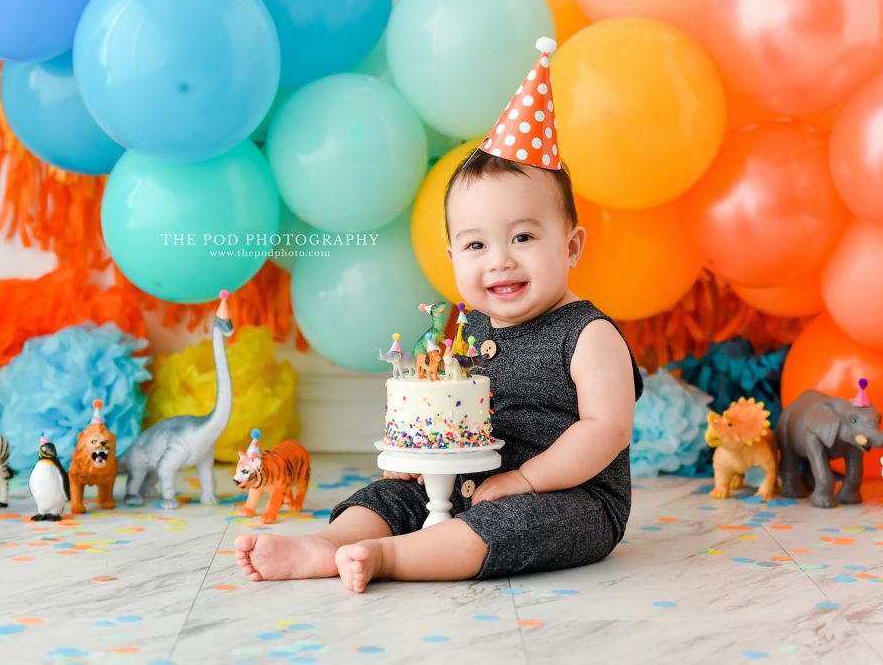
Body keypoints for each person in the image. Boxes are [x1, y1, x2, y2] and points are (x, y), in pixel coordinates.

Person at [234, 38, 644, 592]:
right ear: (453, 258)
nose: (500, 260)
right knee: (390, 494)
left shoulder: (587, 335)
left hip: (570, 495)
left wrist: (526, 479)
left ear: (571, 247)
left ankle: (391, 557)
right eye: (476, 246)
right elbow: (450, 409)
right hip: (471, 477)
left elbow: (607, 429)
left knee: (511, 526)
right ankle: (328, 545)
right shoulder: (469, 327)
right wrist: (421, 457)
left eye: (523, 236)